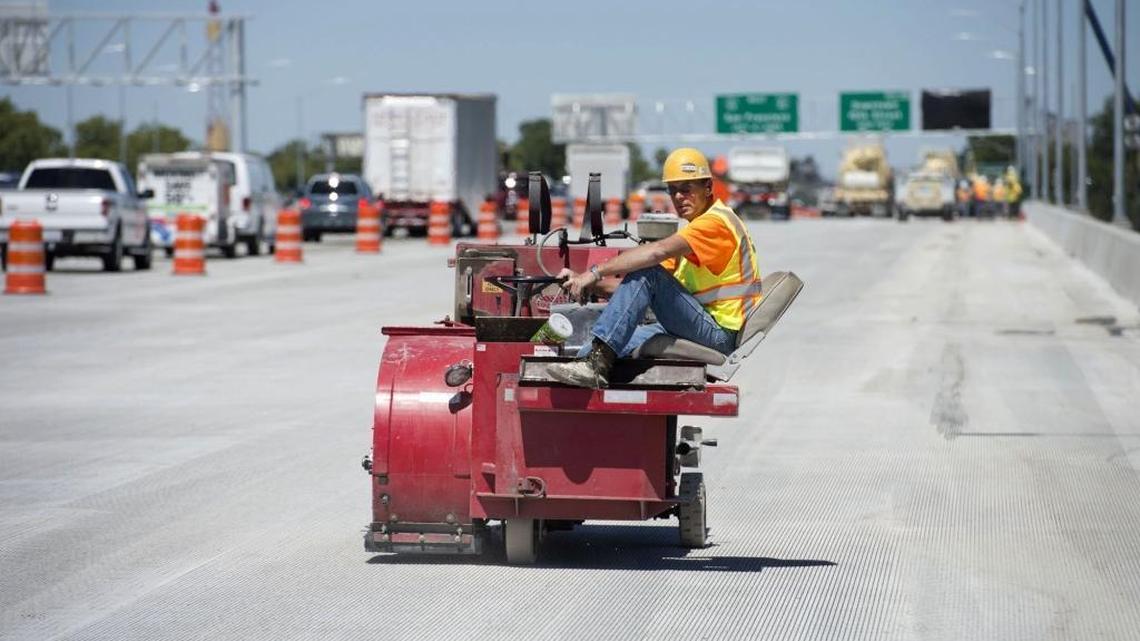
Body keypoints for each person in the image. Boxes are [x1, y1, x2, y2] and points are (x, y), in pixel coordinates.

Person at [546, 148, 763, 388]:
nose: (679, 197)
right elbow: (636, 290)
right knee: (584, 352)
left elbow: (655, 254)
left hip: (718, 333)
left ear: (708, 188)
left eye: (686, 189)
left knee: (648, 271)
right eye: (673, 190)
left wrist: (594, 272)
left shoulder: (715, 223)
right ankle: (590, 364)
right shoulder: (694, 234)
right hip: (698, 322)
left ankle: (596, 365)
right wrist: (586, 282)